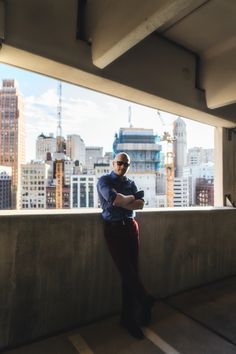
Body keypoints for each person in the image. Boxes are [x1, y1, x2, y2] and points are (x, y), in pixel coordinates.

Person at [97, 152, 155, 339]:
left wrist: (125, 199)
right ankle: (145, 300)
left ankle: (128, 317)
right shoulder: (104, 180)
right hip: (114, 230)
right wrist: (127, 199)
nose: (122, 167)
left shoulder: (130, 183)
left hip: (131, 228)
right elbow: (117, 200)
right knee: (126, 271)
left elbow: (140, 205)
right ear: (113, 163)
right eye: (120, 163)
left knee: (131, 272)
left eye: (126, 164)